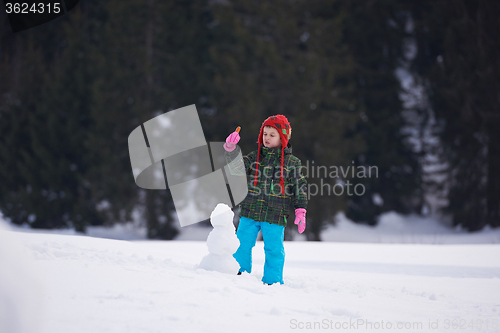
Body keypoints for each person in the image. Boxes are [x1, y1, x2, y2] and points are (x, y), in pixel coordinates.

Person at [223, 114, 308, 285]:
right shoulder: (254, 157)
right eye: (265, 134)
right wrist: (231, 150)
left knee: (274, 250)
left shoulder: (292, 163)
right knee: (242, 245)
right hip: (250, 212)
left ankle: (272, 282)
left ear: (282, 138)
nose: (267, 138)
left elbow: (300, 187)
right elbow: (236, 169)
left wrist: (300, 210)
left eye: (272, 134)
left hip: (276, 215)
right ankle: (238, 275)